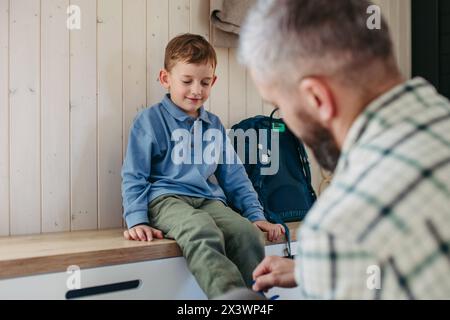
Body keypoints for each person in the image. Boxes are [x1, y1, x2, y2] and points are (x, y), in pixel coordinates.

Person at [232, 0, 450, 299]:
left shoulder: (338, 227)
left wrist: (331, 262)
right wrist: (320, 270)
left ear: (317, 98)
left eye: (280, 106)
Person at [121, 33, 284, 299]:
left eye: (205, 82)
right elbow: (133, 175)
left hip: (207, 199)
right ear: (166, 79)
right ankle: (231, 299)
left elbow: (234, 176)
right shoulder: (150, 121)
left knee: (246, 233)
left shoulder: (214, 125)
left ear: (213, 82)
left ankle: (258, 297)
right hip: (165, 199)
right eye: (187, 81)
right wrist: (136, 218)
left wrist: (256, 215)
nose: (197, 90)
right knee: (202, 229)